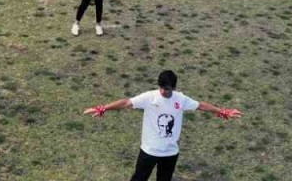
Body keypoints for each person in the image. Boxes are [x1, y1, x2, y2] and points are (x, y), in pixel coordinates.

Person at [83, 69, 241, 181]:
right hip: (149, 152)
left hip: (170, 153)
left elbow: (201, 106)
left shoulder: (181, 99)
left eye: (167, 88)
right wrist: (103, 108)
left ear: (173, 87)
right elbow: (126, 102)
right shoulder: (150, 97)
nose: (163, 91)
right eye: (161, 87)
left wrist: (222, 111)